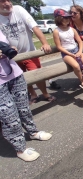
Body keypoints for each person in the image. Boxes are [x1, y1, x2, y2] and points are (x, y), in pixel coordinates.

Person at [0, 30, 52, 162]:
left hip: (15, 74)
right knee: (9, 116)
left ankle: (33, 132)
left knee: (24, 108)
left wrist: (11, 48)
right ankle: (20, 149)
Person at [0, 0, 58, 105]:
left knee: (37, 74)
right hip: (13, 56)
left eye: (8, 0)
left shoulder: (19, 10)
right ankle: (33, 94)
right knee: (23, 77)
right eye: (3, 1)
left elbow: (34, 27)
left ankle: (45, 93)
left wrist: (45, 43)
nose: (7, 3)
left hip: (29, 51)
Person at [52, 9, 83, 92]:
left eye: (68, 18)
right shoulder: (56, 31)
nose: (67, 20)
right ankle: (82, 81)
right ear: (58, 19)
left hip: (76, 50)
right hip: (66, 53)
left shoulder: (72, 29)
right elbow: (59, 47)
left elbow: (80, 42)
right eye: (65, 18)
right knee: (76, 66)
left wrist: (80, 51)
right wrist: (70, 54)